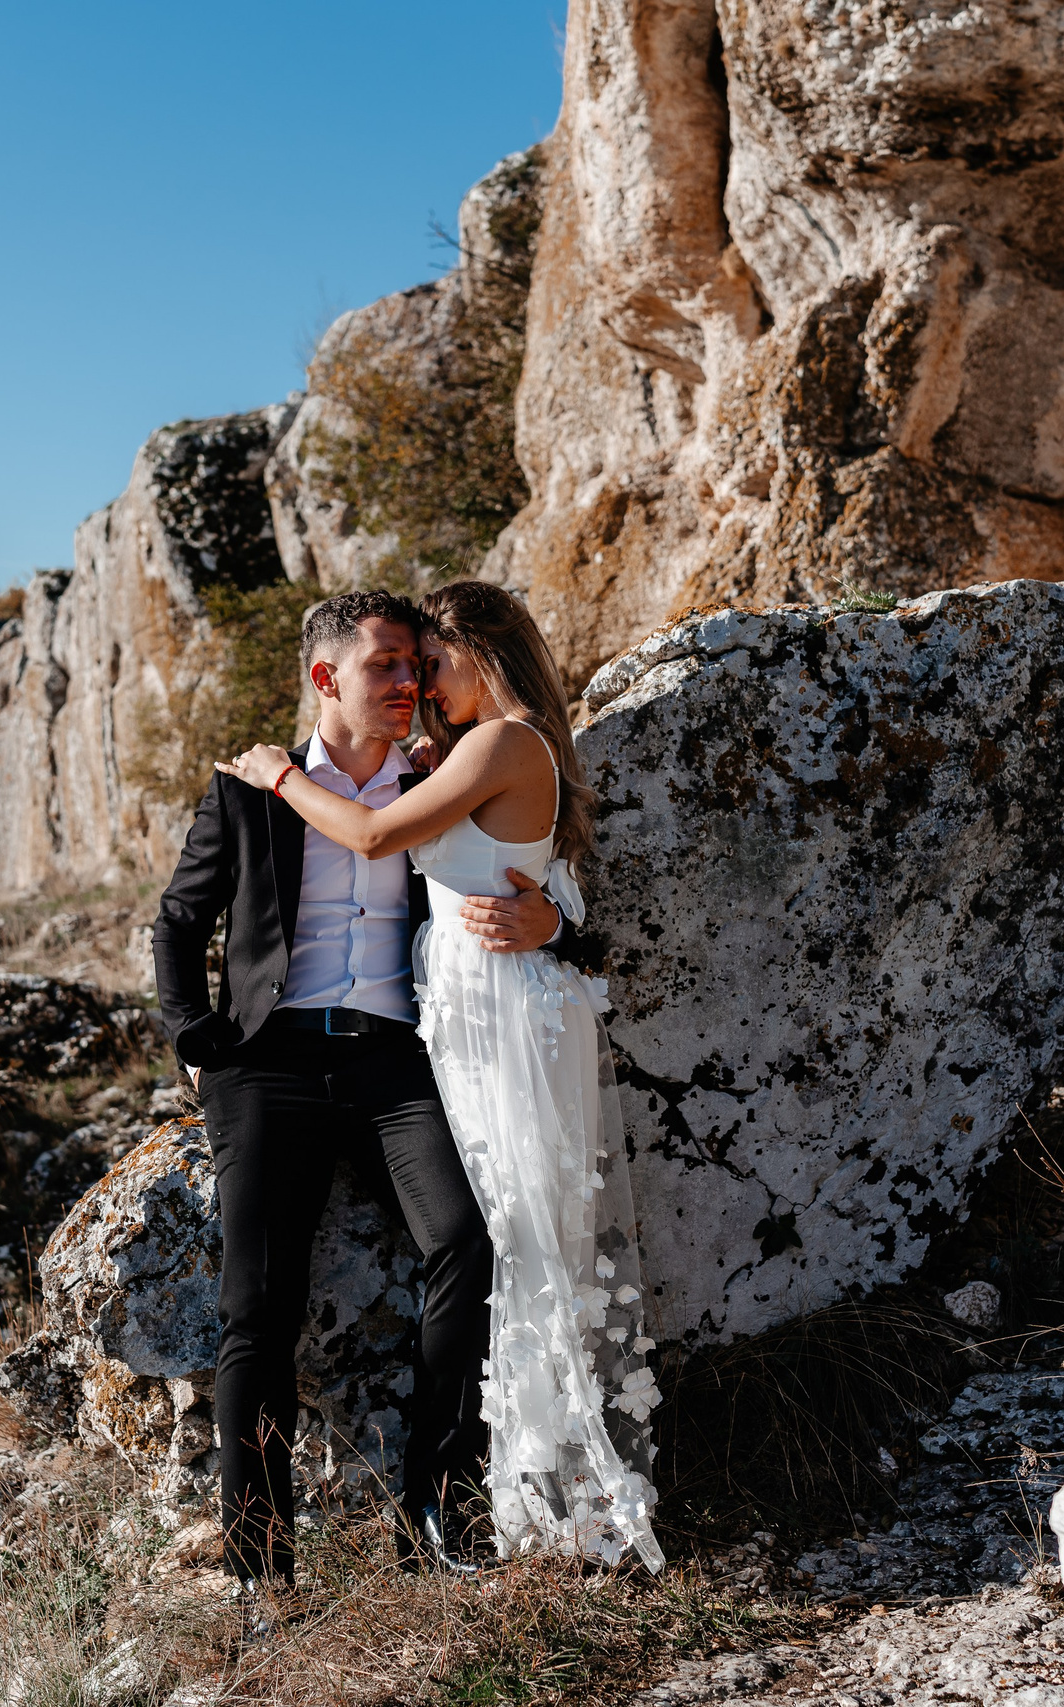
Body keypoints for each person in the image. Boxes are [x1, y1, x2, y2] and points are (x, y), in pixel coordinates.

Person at [218, 578, 664, 1572]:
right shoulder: (475, 749)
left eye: (432, 664)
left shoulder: (501, 743)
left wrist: (276, 774)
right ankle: (488, 1497)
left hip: (497, 1021)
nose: (421, 685)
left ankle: (523, 1498)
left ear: (479, 654)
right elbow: (535, 875)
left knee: (509, 1242)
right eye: (405, 668)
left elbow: (379, 838)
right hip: (454, 1019)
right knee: (498, 1240)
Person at [151, 589, 567, 1611]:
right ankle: (261, 1571)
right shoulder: (246, 789)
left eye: (418, 665)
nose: (410, 683)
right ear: (326, 677)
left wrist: (549, 920)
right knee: (258, 1310)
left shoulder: (441, 773)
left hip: (392, 1058)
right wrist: (196, 1044)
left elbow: (533, 868)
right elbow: (177, 917)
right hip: (268, 1066)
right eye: (385, 665)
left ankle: (436, 1508)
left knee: (464, 1243)